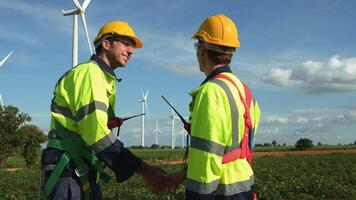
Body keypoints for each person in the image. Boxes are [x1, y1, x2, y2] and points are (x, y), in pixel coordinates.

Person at [40, 21, 167, 199]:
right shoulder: (90, 74)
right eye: (126, 43)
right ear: (106, 44)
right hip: (68, 169)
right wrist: (145, 170)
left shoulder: (105, 80)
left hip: (80, 166)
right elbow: (97, 134)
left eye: (132, 47)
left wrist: (108, 122)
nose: (131, 51)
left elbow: (91, 125)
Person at [169, 14, 261, 199]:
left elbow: (206, 158)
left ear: (202, 50)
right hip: (244, 185)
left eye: (197, 46)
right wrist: (180, 176)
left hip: (221, 190)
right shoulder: (245, 91)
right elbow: (239, 146)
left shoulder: (211, 92)